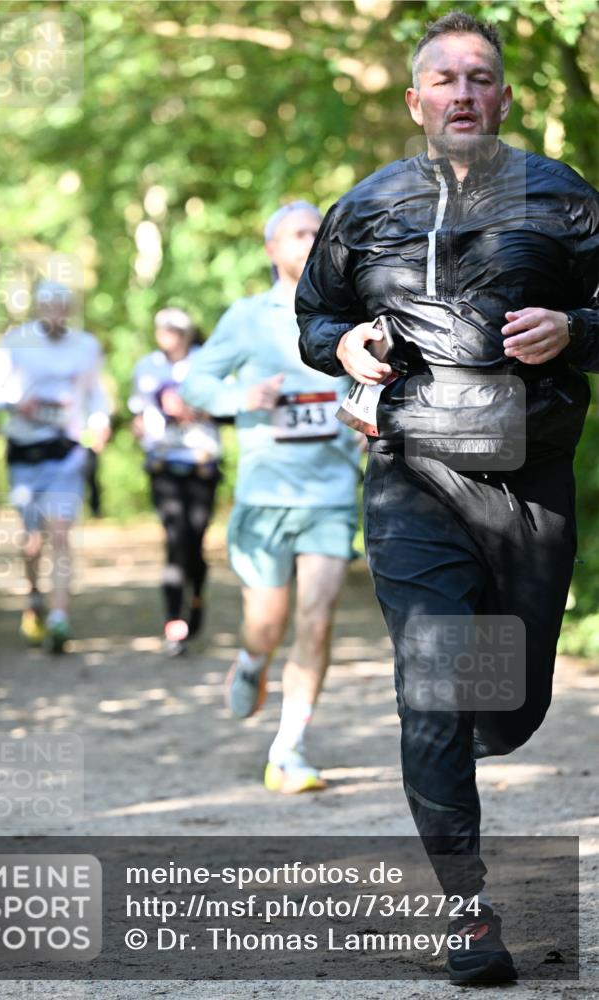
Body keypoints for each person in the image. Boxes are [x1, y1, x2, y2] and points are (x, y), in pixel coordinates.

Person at [296, 11, 598, 984]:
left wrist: (573, 323)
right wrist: (343, 346)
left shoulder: (561, 198)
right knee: (432, 692)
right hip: (410, 477)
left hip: (529, 479)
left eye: (481, 77)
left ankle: (481, 725)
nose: (463, 92)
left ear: (504, 99)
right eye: (444, 78)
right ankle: (467, 914)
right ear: (415, 99)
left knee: (504, 707)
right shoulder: (366, 207)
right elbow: (317, 318)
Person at [182, 202, 361, 794]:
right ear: (271, 249)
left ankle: (289, 749)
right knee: (268, 622)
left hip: (331, 489)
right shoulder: (248, 317)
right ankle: (254, 662)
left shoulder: (349, 311)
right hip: (266, 492)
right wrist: (242, 396)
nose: (311, 240)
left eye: (319, 230)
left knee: (316, 620)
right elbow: (195, 383)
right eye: (299, 232)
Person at [0, 280, 111, 653]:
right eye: (48, 305)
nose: (55, 311)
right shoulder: (15, 343)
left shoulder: (86, 346)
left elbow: (96, 392)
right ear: (37, 308)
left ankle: (59, 617)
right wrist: (15, 403)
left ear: (68, 308)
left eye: (61, 305)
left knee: (61, 533)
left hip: (66, 452)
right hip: (24, 453)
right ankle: (34, 596)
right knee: (33, 541)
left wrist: (99, 420)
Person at [130, 307, 221, 656]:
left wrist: (192, 410)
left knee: (194, 540)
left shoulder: (207, 361)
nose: (170, 335)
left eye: (176, 329)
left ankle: (195, 598)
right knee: (174, 537)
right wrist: (139, 429)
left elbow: (227, 406)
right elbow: (138, 412)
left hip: (200, 463)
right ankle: (173, 621)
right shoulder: (147, 367)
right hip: (163, 463)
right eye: (164, 329)